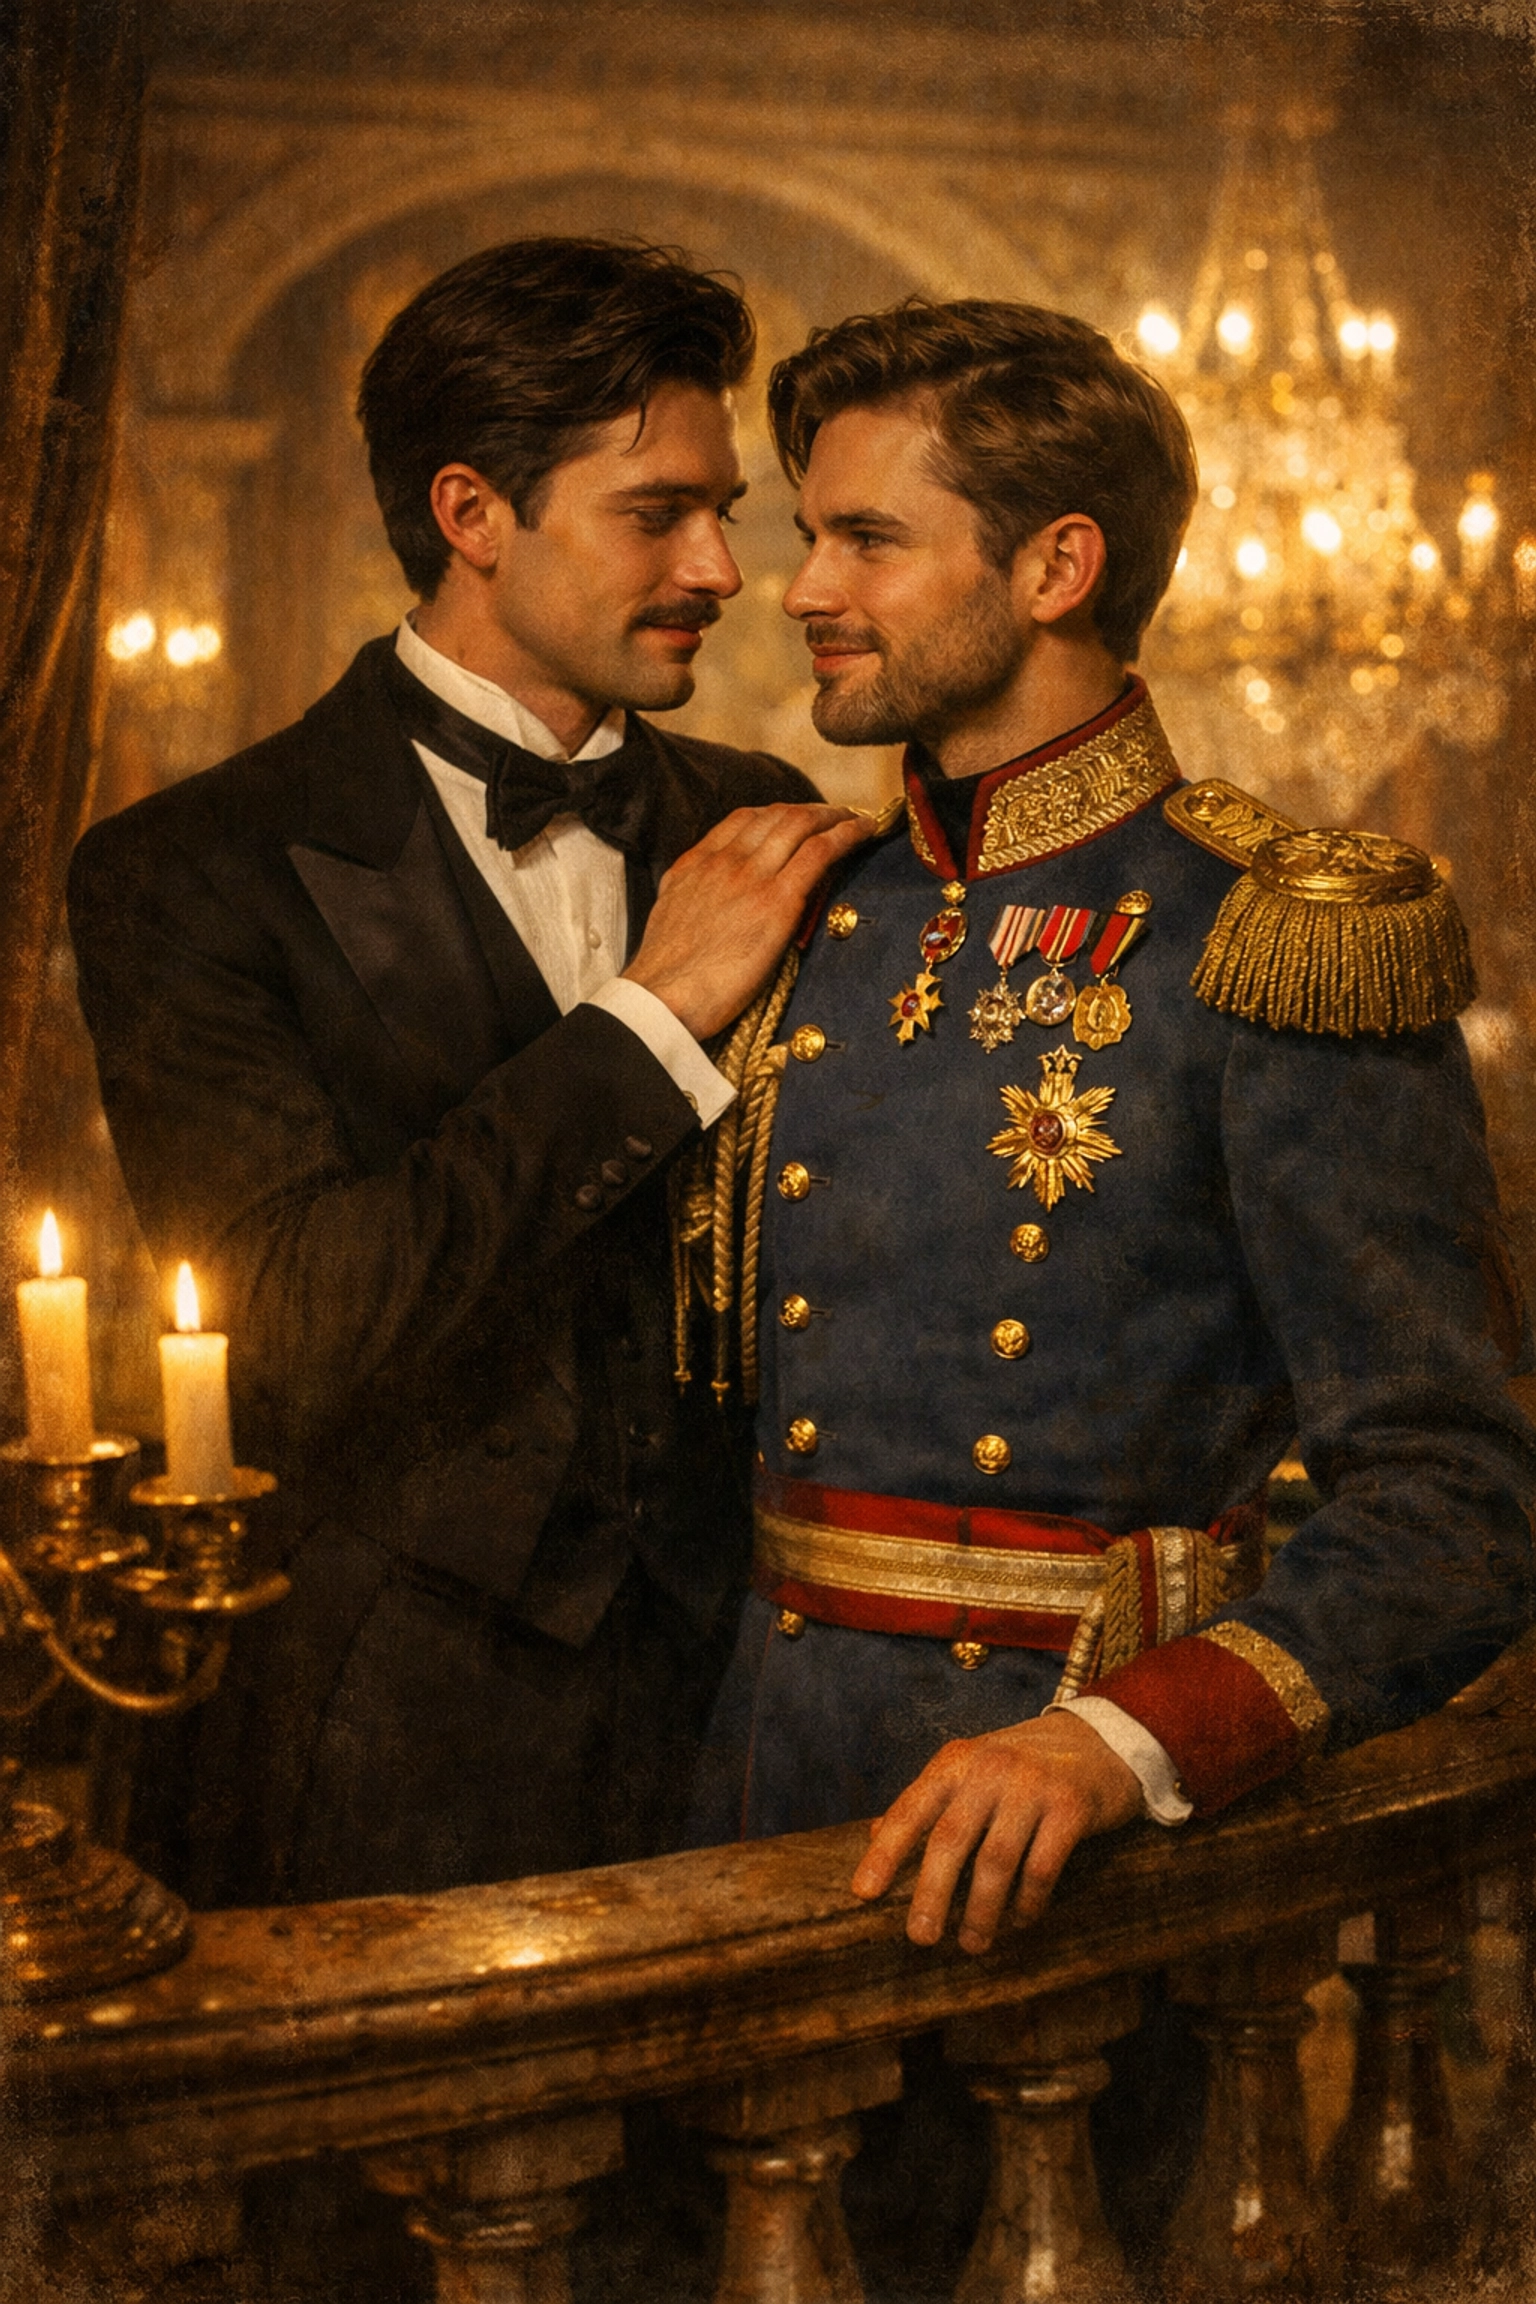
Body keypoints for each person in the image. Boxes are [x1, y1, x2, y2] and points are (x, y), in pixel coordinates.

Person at [691, 300, 1536, 1967]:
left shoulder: (1276, 935)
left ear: (1056, 568)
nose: (800, 590)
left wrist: (1127, 1743)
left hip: (1081, 1872)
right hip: (753, 1797)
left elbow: (1458, 1503)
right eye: (809, 536)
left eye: (868, 540)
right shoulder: (809, 910)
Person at [67, 236, 867, 1907]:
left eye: (727, 512)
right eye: (657, 514)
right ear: (472, 513)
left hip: (750, 1714)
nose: (723, 568)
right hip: (374, 1740)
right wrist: (650, 1021)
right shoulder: (190, 868)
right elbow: (293, 1321)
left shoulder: (763, 817)